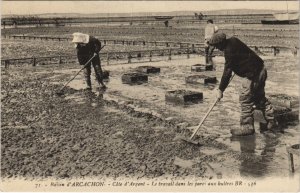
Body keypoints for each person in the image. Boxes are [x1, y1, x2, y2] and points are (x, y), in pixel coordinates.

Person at [208, 32, 278, 136]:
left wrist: (220, 90)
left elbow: (227, 71)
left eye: (217, 46)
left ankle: (247, 127)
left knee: (245, 99)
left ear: (221, 43)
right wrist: (237, 67)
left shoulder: (229, 51)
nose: (217, 48)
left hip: (253, 75)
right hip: (261, 69)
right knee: (259, 98)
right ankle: (271, 121)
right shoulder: (234, 40)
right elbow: (242, 57)